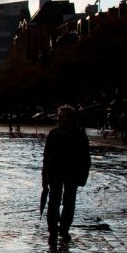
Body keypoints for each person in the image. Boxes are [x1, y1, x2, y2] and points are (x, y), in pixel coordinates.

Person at [41, 105, 91, 245]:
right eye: (59, 116)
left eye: (63, 117)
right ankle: (52, 231)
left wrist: (83, 176)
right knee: (53, 203)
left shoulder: (79, 135)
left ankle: (64, 229)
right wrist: (44, 175)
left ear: (71, 119)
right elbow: (46, 156)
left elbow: (85, 158)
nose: (60, 119)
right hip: (55, 173)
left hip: (72, 174)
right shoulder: (53, 133)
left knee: (69, 203)